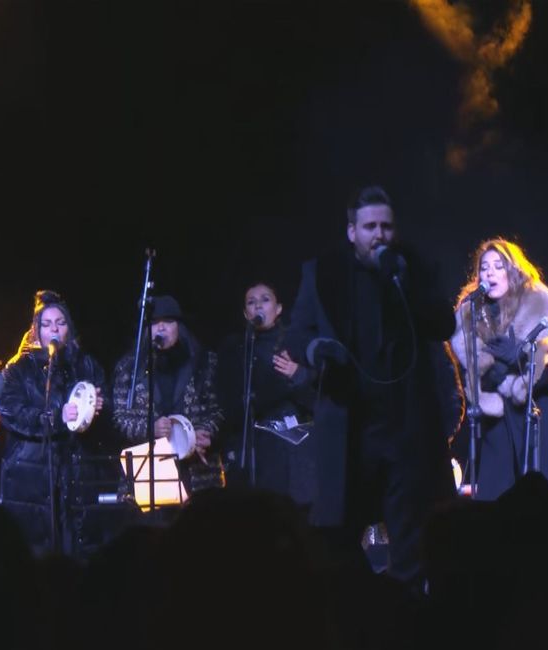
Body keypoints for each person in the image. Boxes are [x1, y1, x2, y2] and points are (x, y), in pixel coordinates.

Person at [284, 185, 457, 587]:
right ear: (351, 232)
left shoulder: (410, 267)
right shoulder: (322, 272)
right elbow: (295, 334)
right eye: (370, 227)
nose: (379, 234)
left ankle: (405, 613)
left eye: (386, 226)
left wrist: (407, 283)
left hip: (404, 428)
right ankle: (356, 610)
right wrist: (316, 348)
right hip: (350, 426)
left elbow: (443, 324)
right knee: (338, 535)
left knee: (410, 536)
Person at [448, 238, 548, 511]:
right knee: (494, 509)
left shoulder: (540, 306)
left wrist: (518, 356)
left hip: (542, 419)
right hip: (499, 426)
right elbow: (473, 380)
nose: (489, 273)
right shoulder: (473, 316)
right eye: (484, 268)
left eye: (498, 266)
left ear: (513, 270)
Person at [0, 290, 110, 557]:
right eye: (46, 325)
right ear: (36, 331)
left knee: (78, 548)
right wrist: (57, 417)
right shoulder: (18, 369)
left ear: (69, 327)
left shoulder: (86, 364)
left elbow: (105, 403)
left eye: (60, 322)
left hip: (78, 469)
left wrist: (98, 409)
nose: (54, 329)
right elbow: (11, 412)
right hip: (31, 472)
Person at [215, 282, 318, 510]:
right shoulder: (236, 349)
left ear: (279, 308)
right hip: (252, 445)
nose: (258, 306)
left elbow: (318, 394)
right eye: (251, 302)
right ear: (245, 313)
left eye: (265, 299)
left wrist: (298, 374)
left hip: (293, 448)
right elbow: (226, 399)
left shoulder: (296, 343)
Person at [111, 295, 225, 495]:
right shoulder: (129, 368)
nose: (161, 328)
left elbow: (219, 410)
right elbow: (119, 418)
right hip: (150, 470)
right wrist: (150, 428)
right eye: (155, 323)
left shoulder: (204, 363)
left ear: (179, 327)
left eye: (168, 321)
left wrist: (203, 433)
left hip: (196, 470)